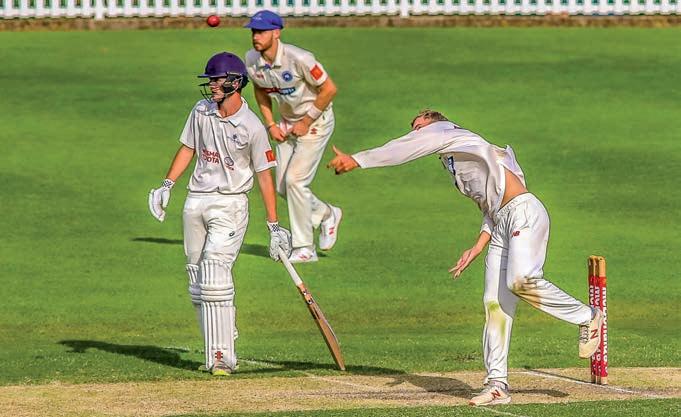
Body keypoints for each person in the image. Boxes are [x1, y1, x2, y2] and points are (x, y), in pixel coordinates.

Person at [328, 109, 604, 406]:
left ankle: (588, 316)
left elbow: (405, 147)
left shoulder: (445, 131)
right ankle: (497, 385)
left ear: (433, 122)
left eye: (418, 126)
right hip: (501, 223)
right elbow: (491, 204)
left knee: (521, 281)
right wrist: (478, 245)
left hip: (524, 213)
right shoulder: (462, 154)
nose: (415, 132)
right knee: (495, 305)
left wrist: (358, 159)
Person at [148, 52, 292, 376]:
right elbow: (188, 148)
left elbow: (265, 176)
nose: (212, 85)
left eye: (216, 80)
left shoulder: (252, 127)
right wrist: (167, 185)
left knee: (214, 270)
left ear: (235, 83)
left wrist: (273, 225)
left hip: (230, 204)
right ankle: (221, 335)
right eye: (210, 80)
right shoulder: (201, 111)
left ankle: (222, 359)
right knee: (197, 279)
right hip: (195, 200)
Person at [243, 10, 342, 263]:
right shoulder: (252, 59)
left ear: (276, 33)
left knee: (295, 181)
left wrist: (306, 121)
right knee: (281, 186)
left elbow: (329, 89)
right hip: (287, 125)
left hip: (316, 122)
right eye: (254, 32)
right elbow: (260, 90)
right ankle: (326, 214)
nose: (255, 37)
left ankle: (304, 248)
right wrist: (270, 124)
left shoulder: (300, 58)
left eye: (261, 32)